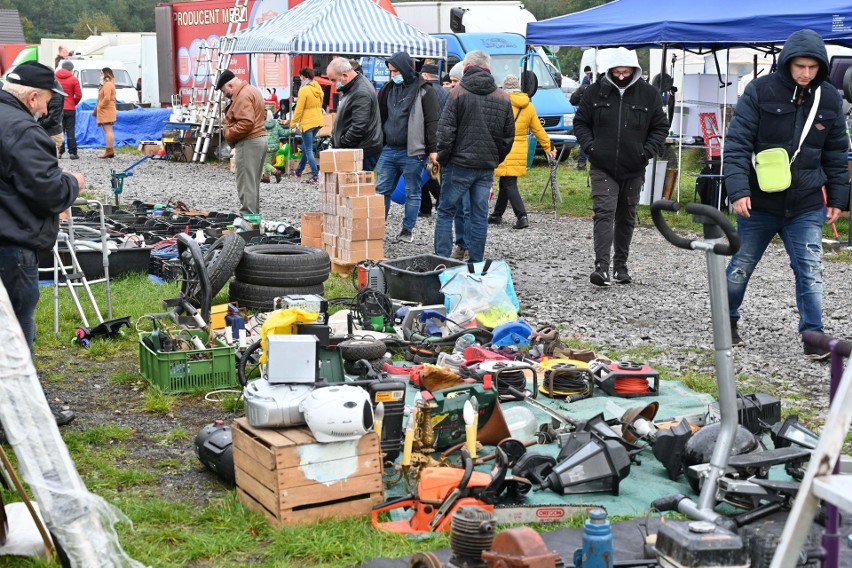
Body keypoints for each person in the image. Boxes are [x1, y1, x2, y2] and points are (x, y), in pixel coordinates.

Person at [723, 29, 849, 361]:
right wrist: (737, 190)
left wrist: (838, 199)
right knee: (741, 266)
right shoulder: (759, 90)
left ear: (820, 66)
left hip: (806, 203)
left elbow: (836, 153)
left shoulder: (830, 98)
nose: (806, 73)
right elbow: (736, 145)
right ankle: (726, 322)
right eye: (800, 67)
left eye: (812, 67)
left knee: (810, 268)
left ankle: (813, 336)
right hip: (759, 201)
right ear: (787, 63)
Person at [0, 61, 83, 427]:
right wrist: (73, 182)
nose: (49, 108)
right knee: (18, 331)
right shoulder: (22, 130)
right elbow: (49, 193)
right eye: (49, 100)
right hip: (11, 245)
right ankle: (22, 416)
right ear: (33, 96)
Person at [573, 48, 668, 287]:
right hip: (602, 165)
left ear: (635, 71)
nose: (622, 76)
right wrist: (591, 148)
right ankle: (601, 268)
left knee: (627, 216)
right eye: (617, 72)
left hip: (634, 165)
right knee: (604, 213)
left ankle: (621, 267)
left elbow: (660, 127)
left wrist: (646, 152)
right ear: (610, 71)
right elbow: (581, 123)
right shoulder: (595, 92)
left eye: (626, 72)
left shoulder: (649, 94)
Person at [435, 50, 514, 263]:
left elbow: (445, 132)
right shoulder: (502, 97)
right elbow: (508, 138)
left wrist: (442, 159)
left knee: (445, 212)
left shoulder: (457, 93)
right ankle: (476, 262)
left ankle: (441, 262)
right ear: (488, 67)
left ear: (467, 67)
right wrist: (494, 159)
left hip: (458, 164)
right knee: (479, 216)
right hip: (485, 166)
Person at [376, 51, 439, 243]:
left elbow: (432, 121)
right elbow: (381, 115)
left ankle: (407, 230)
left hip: (413, 151)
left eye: (395, 71)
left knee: (412, 191)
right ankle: (377, 228)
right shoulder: (388, 89)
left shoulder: (425, 90)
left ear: (405, 69)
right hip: (389, 149)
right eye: (390, 71)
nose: (393, 75)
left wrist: (432, 149)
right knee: (381, 191)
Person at [491, 74, 555, 230]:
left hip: (504, 148)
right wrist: (549, 147)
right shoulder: (528, 106)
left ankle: (522, 216)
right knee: (506, 181)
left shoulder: (501, 103)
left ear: (504, 88)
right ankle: (497, 215)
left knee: (509, 182)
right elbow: (538, 129)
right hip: (519, 149)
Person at [216, 69, 267, 215]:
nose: (225, 95)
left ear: (231, 86)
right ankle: (253, 219)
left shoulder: (242, 96)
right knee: (252, 184)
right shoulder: (252, 90)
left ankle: (248, 220)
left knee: (246, 184)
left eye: (224, 91)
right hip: (258, 139)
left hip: (249, 142)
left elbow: (246, 123)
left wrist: (228, 133)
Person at [326, 57, 382, 171]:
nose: (332, 84)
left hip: (362, 152)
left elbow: (359, 127)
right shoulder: (351, 87)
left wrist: (342, 143)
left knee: (355, 187)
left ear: (345, 75)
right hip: (357, 149)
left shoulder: (361, 92)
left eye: (333, 80)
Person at [446, 60, 471, 260]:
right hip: (456, 161)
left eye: (455, 80)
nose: (451, 84)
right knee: (460, 208)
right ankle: (462, 243)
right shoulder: (452, 98)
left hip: (469, 162)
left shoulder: (467, 99)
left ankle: (469, 245)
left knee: (471, 207)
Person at [418, 63, 448, 218]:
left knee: (423, 172)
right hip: (443, 138)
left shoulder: (425, 91)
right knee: (434, 172)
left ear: (425, 76)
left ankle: (425, 207)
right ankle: (440, 200)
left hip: (428, 138)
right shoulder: (444, 91)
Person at [290, 67, 324, 183]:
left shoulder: (303, 90)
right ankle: (299, 171)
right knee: (305, 147)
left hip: (308, 122)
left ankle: (315, 176)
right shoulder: (317, 86)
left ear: (303, 77)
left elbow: (299, 109)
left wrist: (293, 123)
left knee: (308, 149)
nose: (300, 78)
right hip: (318, 121)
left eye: (300, 76)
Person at [56, 59, 82, 160]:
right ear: (71, 69)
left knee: (59, 130)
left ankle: (59, 152)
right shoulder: (74, 79)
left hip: (58, 108)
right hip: (70, 108)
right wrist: (73, 103)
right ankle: (72, 153)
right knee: (71, 130)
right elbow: (79, 95)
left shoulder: (55, 78)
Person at [572, 66, 594, 170]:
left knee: (584, 140)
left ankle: (581, 164)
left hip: (585, 116)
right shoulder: (601, 88)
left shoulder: (582, 88)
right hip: (597, 118)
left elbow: (572, 100)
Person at [93, 67, 117, 158]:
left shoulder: (107, 84)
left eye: (101, 73)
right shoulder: (108, 84)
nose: (100, 75)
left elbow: (106, 98)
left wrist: (100, 106)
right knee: (108, 131)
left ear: (106, 73)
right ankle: (109, 150)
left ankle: (109, 150)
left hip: (106, 110)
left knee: (108, 131)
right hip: (107, 109)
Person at [38, 90, 65, 157]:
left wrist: (37, 124)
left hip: (52, 133)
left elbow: (53, 119)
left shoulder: (55, 96)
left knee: (48, 160)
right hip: (50, 131)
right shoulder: (50, 93)